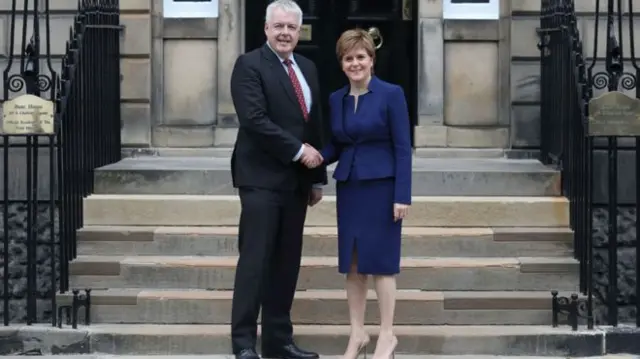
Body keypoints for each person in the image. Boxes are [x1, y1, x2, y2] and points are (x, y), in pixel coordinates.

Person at [228, 0, 327, 358]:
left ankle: (278, 340)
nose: (285, 33)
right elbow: (254, 120)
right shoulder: (249, 65)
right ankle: (243, 344)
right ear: (266, 29)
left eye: (291, 27)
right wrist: (300, 152)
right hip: (260, 180)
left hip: (296, 183)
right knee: (256, 262)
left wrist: (316, 178)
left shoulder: (308, 67)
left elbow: (312, 123)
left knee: (286, 263)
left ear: (299, 32)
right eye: (278, 26)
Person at [319, 29, 412, 359]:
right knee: (354, 265)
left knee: (382, 264)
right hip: (350, 188)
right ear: (342, 64)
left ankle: (387, 335)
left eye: (360, 57)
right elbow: (338, 144)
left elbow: (403, 148)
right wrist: (316, 157)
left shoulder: (391, 94)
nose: (355, 63)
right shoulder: (336, 99)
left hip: (383, 188)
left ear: (371, 60)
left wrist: (403, 195)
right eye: (348, 58)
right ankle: (357, 333)